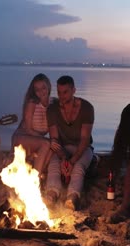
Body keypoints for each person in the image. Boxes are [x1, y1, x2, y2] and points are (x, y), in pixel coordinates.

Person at [43, 75, 95, 211]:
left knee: (78, 168)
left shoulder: (87, 108)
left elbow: (84, 139)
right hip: (63, 148)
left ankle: (72, 197)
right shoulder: (52, 110)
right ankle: (52, 194)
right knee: (54, 165)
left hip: (83, 148)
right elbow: (54, 139)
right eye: (59, 92)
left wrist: (71, 162)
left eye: (65, 92)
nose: (62, 96)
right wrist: (63, 158)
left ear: (74, 90)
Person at [11, 73, 53, 178]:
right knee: (46, 144)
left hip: (37, 140)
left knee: (53, 146)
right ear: (34, 92)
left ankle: (37, 174)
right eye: (37, 90)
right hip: (22, 137)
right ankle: (35, 178)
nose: (41, 92)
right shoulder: (32, 103)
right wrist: (46, 140)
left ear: (48, 86)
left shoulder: (54, 103)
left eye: (43, 88)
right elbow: (29, 130)